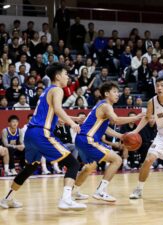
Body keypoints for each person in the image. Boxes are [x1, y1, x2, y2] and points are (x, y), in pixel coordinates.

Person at [0, 63, 86, 211]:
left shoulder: (47, 91)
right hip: (42, 133)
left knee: (29, 168)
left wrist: (73, 118)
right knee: (73, 164)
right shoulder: (58, 89)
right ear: (58, 76)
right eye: (65, 74)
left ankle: (6, 199)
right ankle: (66, 199)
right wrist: (72, 123)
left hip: (30, 134)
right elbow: (58, 109)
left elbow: (53, 114)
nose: (67, 77)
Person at [73, 81, 144, 202]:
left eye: (118, 92)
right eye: (115, 92)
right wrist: (136, 117)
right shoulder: (106, 106)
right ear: (106, 93)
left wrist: (120, 136)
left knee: (90, 167)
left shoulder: (100, 105)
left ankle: (74, 191)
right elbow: (116, 120)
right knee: (117, 159)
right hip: (88, 139)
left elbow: (104, 128)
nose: (118, 94)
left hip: (81, 139)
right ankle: (100, 191)